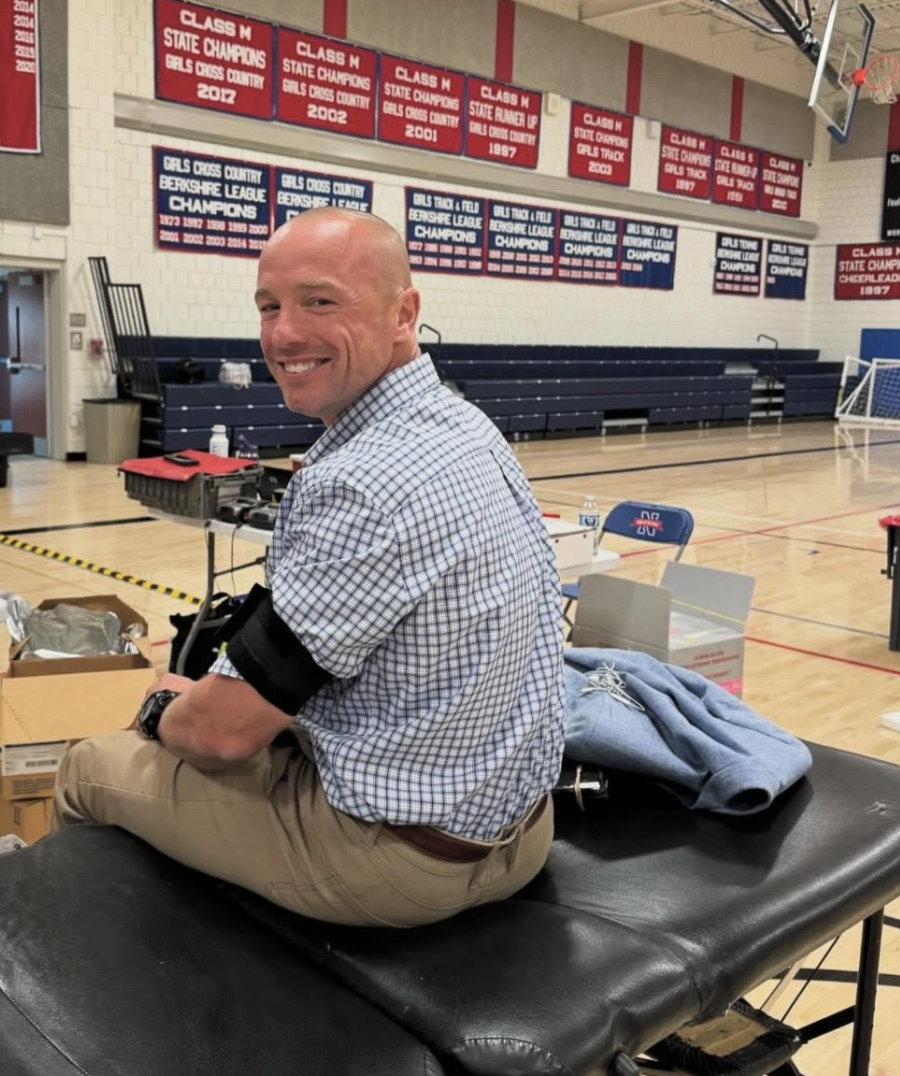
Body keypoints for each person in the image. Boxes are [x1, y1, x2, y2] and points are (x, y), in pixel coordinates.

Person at [53, 208, 566, 927]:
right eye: (269, 307)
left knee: (87, 766)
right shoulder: (463, 426)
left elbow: (222, 734)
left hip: (406, 866)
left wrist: (163, 708)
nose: (284, 334)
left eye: (319, 301)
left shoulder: (361, 481)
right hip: (521, 830)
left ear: (404, 312)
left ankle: (103, 996)